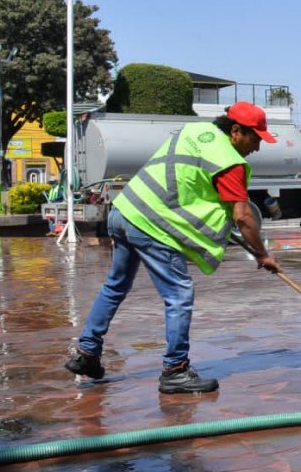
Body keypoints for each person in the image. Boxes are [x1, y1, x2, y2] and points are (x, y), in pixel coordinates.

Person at [65, 102, 282, 394]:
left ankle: (87, 353)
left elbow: (189, 186)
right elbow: (243, 216)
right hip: (152, 224)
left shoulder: (197, 132)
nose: (257, 147)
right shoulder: (229, 162)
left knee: (115, 286)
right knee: (179, 295)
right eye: (255, 139)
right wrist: (263, 255)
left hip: (124, 210)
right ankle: (175, 370)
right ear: (235, 131)